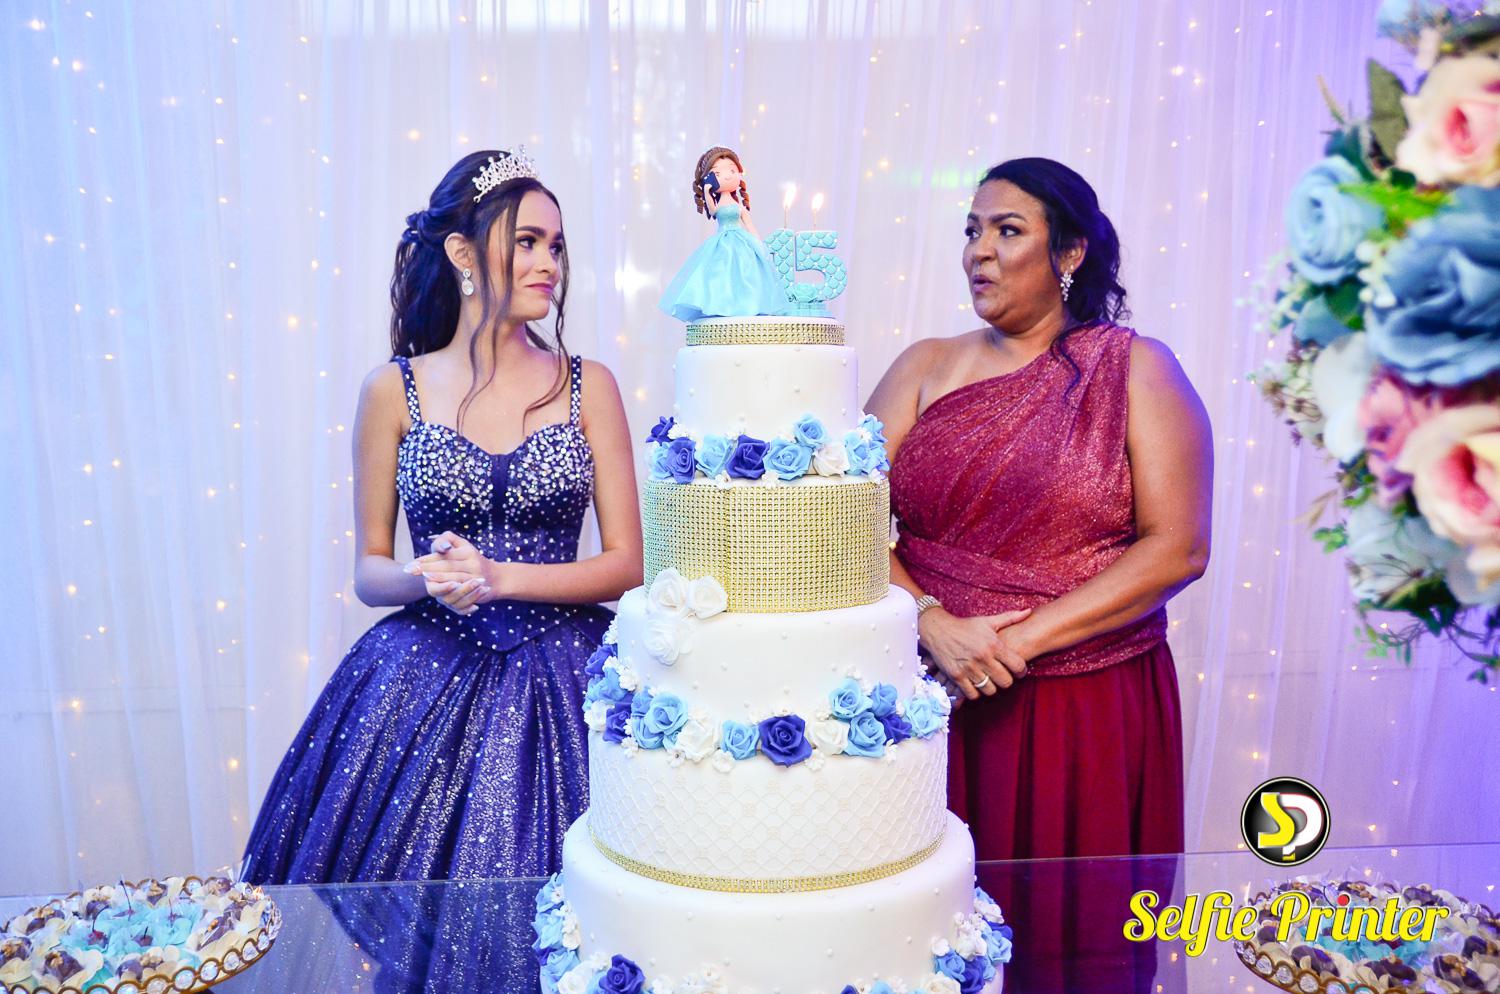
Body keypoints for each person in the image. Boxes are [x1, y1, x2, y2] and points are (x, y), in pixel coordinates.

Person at [241, 149, 642, 888]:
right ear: (462, 253)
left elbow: (627, 564)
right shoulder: (392, 390)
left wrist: (499, 577)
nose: (548, 264)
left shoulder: (591, 386)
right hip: (421, 670)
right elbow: (370, 571)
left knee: (597, 898)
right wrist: (427, 578)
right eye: (527, 242)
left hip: (571, 674)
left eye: (556, 246)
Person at [865, 157, 1211, 991]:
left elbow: (1177, 548)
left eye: (1007, 230)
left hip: (1085, 712)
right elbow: (838, 524)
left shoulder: (1135, 369)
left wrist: (1007, 646)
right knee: (924, 936)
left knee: (1071, 941)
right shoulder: (922, 366)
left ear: (1071, 252)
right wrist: (931, 622)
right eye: (972, 231)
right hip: (933, 699)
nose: (978, 251)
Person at [658, 145, 789, 321]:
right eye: (717, 173)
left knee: (746, 272)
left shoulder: (739, 206)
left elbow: (749, 225)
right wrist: (706, 191)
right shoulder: (717, 204)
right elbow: (713, 211)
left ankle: (748, 304)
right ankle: (722, 304)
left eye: (732, 171)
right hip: (722, 242)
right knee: (720, 273)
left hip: (742, 241)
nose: (727, 176)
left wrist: (758, 243)